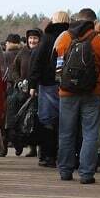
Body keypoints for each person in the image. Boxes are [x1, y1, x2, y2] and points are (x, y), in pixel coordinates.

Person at [53, 8, 100, 183]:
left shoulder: (63, 38)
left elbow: (54, 65)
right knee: (90, 133)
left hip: (66, 93)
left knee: (66, 132)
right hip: (93, 92)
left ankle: (65, 171)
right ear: (93, 22)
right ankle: (86, 173)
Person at [28, 11, 70, 168]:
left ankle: (47, 155)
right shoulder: (71, 37)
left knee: (47, 122)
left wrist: (33, 84)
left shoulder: (47, 38)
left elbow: (37, 62)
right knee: (65, 122)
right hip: (68, 85)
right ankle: (64, 155)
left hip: (47, 85)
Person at [10, 28, 42, 157]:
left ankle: (39, 147)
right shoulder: (22, 52)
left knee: (37, 120)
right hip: (23, 90)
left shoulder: (42, 52)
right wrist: (18, 81)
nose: (32, 41)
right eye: (30, 38)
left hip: (38, 91)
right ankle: (27, 145)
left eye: (35, 38)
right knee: (21, 118)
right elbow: (14, 69)